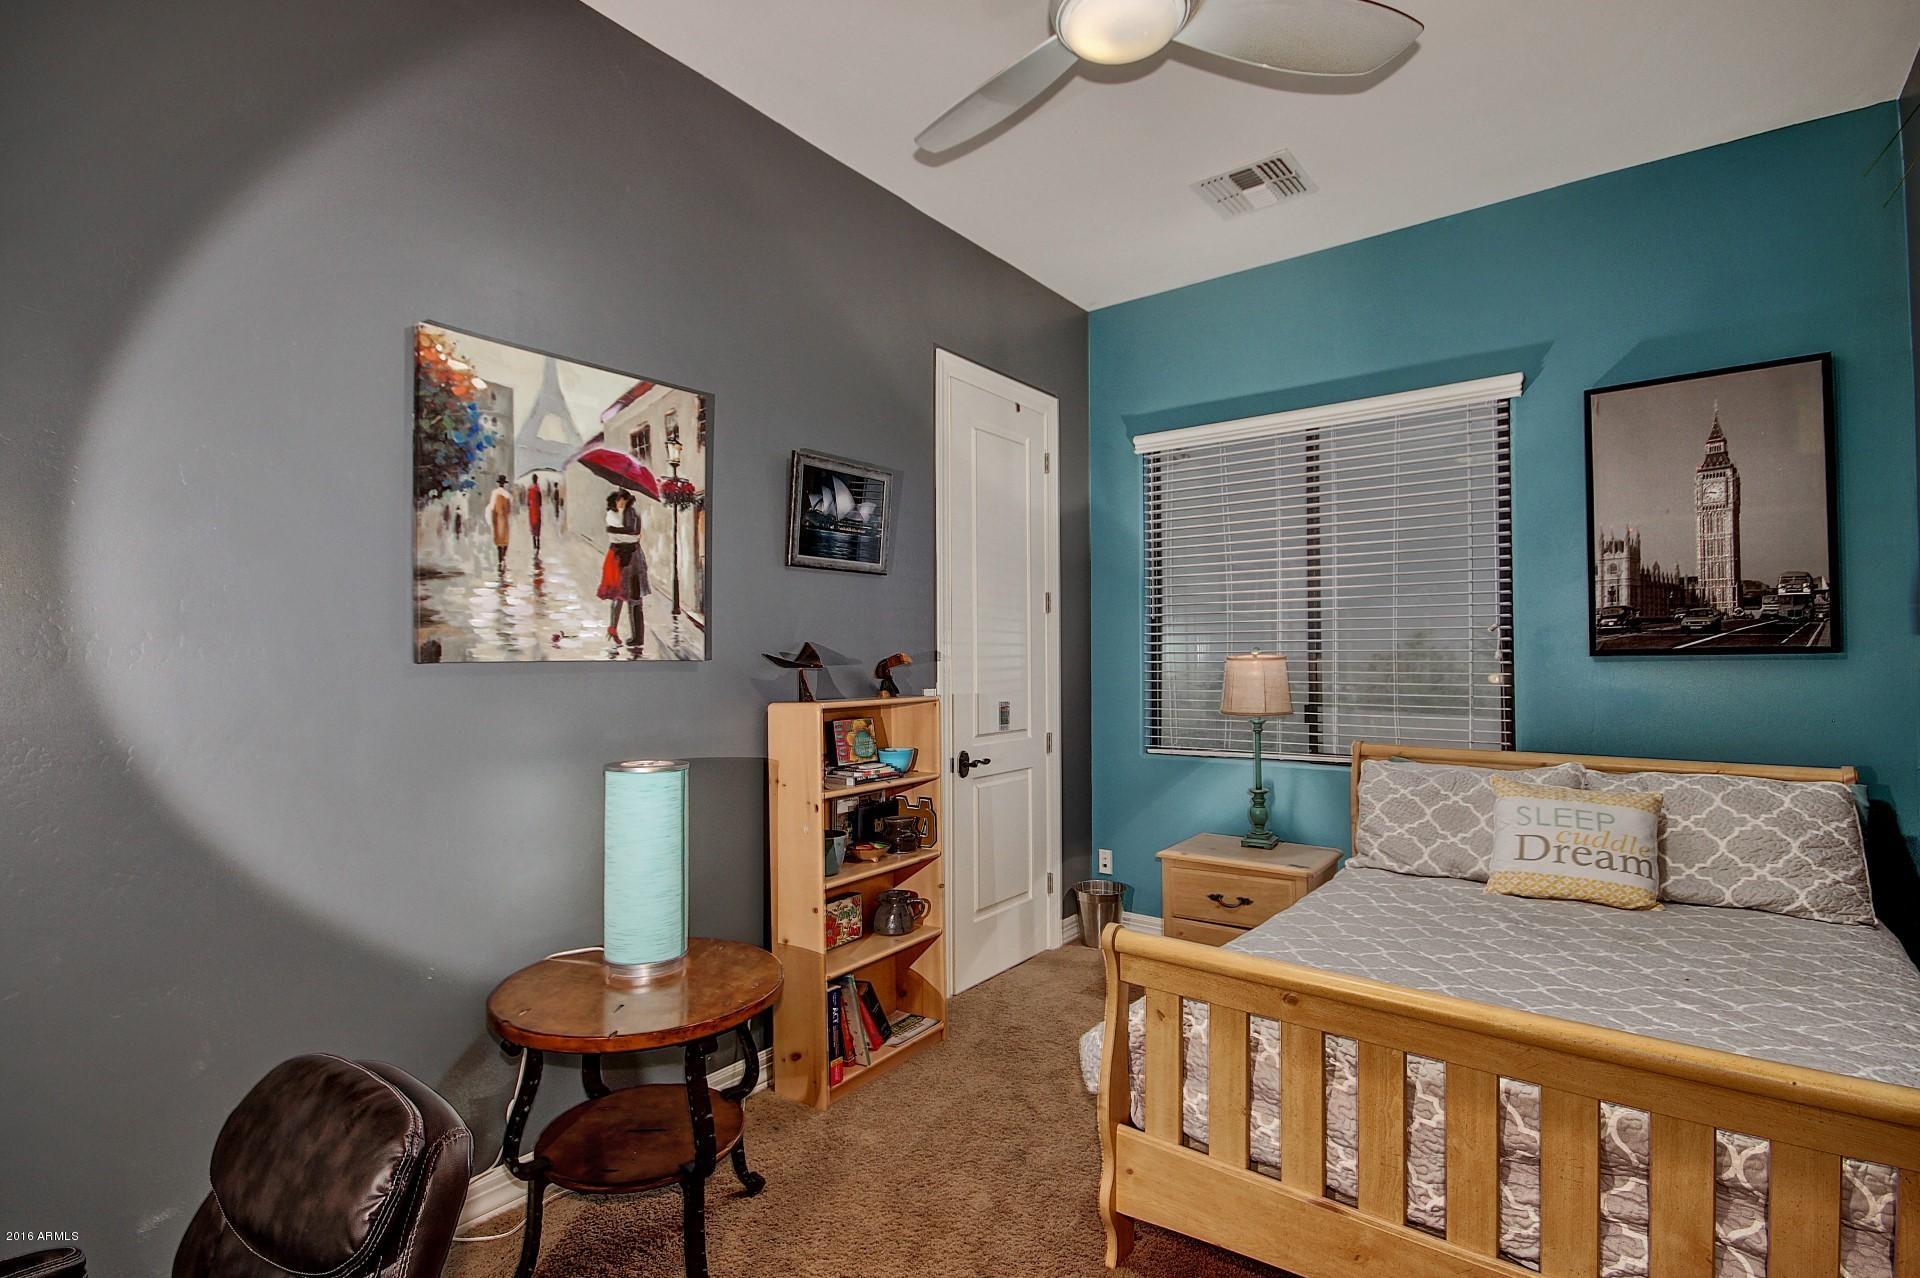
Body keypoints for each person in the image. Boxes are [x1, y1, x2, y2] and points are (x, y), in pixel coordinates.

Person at [596, 489, 650, 649]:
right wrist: (624, 536)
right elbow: (615, 536)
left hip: (634, 560)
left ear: (628, 500)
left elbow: (634, 536)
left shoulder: (632, 514)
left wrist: (623, 535)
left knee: (635, 599)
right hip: (620, 559)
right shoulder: (611, 514)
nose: (621, 502)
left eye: (624, 499)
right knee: (619, 594)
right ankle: (614, 628)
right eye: (619, 499)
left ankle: (638, 637)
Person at [487, 474, 512, 573]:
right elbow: (509, 509)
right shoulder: (507, 494)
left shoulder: (494, 493)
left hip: (497, 518)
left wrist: (492, 519)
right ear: (504, 483)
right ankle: (504, 558)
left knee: (498, 540)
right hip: (504, 519)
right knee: (505, 540)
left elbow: (492, 507)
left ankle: (500, 559)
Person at [526, 474, 543, 553]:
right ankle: (538, 542)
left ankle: (534, 544)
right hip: (537, 510)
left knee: (533, 525)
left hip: (532, 510)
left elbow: (527, 502)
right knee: (538, 525)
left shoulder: (530, 489)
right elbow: (540, 502)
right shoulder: (538, 489)